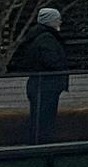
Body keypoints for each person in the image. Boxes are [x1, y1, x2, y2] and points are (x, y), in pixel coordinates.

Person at [13, 8, 70, 143]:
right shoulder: (47, 38)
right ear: (50, 21)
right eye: (57, 19)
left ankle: (38, 144)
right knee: (45, 119)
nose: (60, 22)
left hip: (41, 84)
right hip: (46, 84)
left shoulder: (37, 36)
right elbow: (52, 61)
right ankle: (42, 146)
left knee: (39, 118)